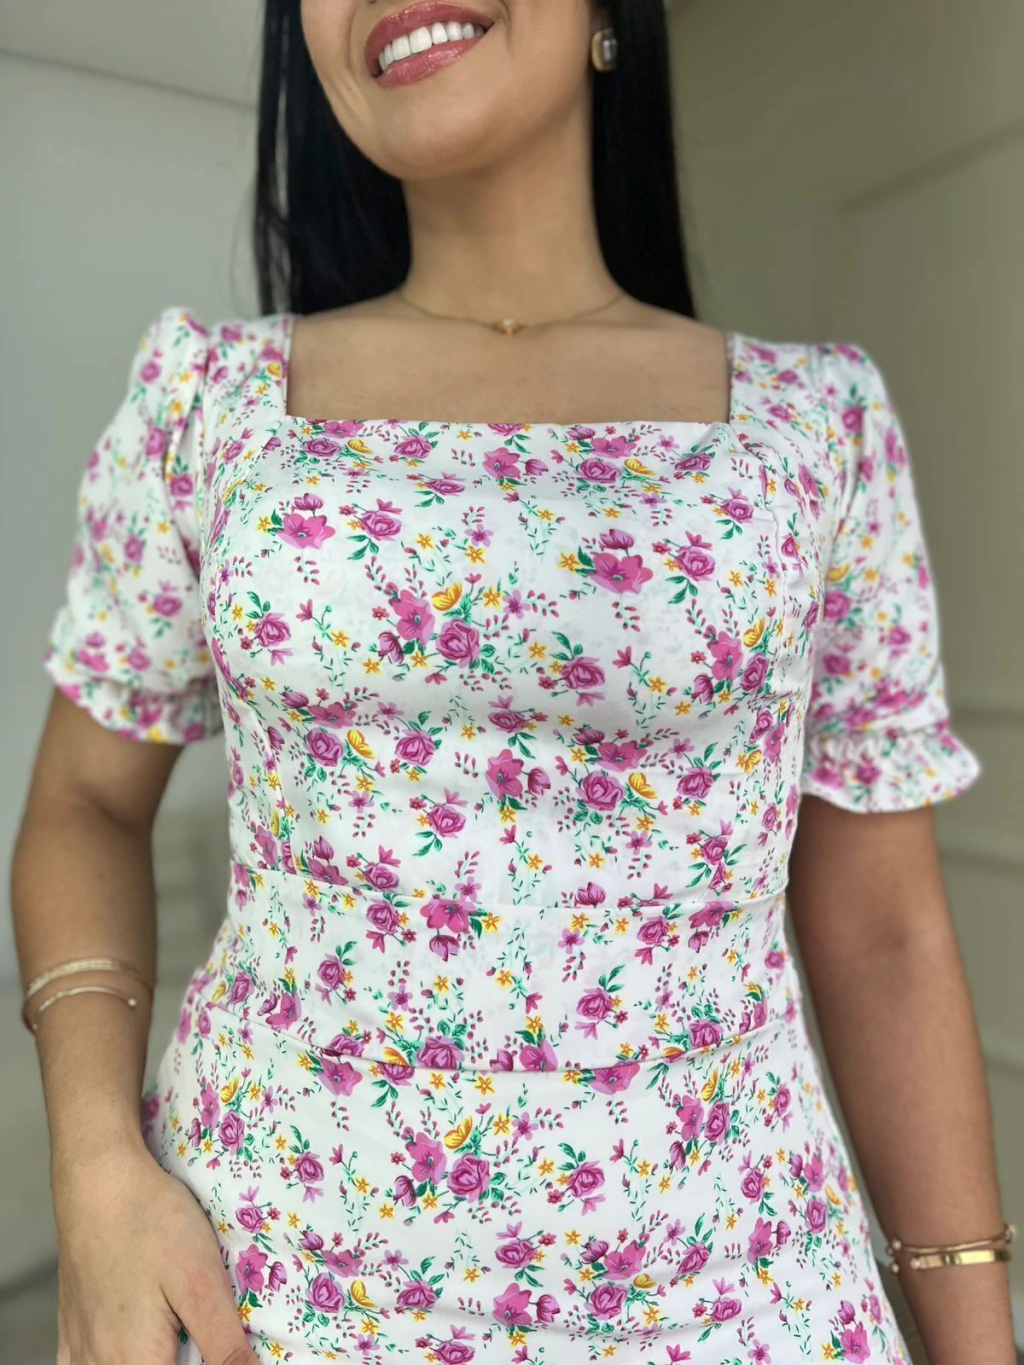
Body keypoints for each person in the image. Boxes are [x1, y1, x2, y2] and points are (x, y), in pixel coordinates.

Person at [11, 2, 1016, 1363]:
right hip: (274, 1296)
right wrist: (94, 1172)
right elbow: (81, 803)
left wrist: (976, 1336)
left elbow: (884, 930)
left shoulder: (817, 426)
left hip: (728, 1306)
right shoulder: (207, 399)